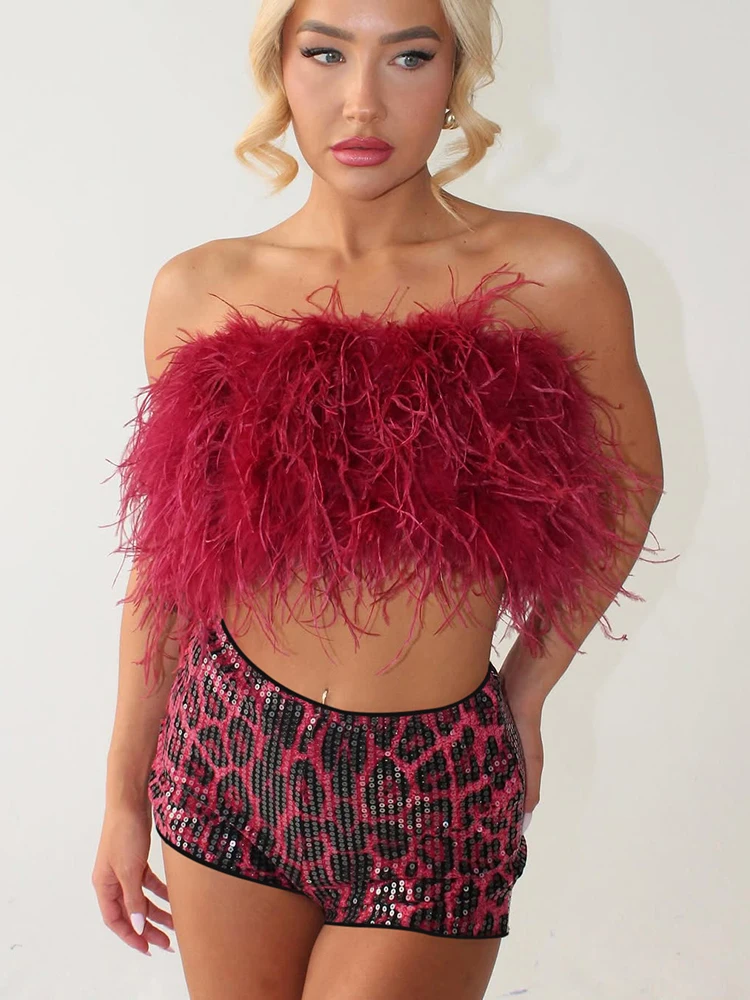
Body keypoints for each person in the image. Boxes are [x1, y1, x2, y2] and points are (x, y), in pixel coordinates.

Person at [91, 0, 664, 997]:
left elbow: (631, 490)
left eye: (407, 57)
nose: (362, 101)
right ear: (281, 68)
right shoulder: (200, 288)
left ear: (456, 76)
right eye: (325, 53)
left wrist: (525, 692)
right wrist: (121, 790)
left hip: (437, 779)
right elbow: (171, 558)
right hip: (226, 752)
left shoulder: (552, 272)